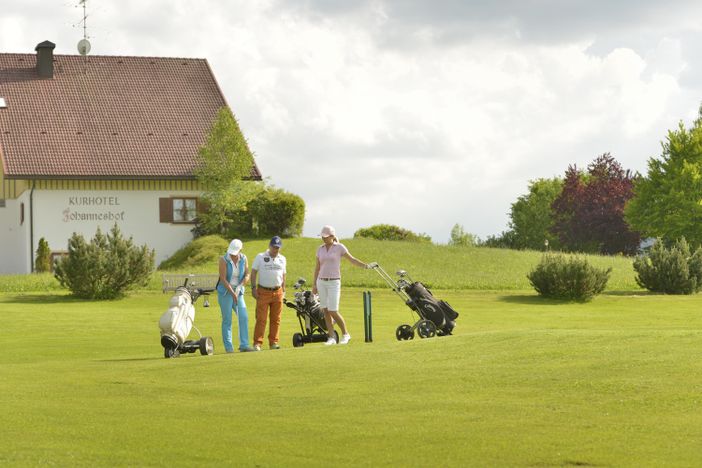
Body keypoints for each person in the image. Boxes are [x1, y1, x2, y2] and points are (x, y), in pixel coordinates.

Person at [313, 225, 370, 345]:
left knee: (333, 310)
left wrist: (365, 265)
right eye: (322, 236)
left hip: (334, 282)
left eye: (326, 236)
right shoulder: (320, 249)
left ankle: (345, 334)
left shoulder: (339, 247)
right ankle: (332, 337)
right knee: (326, 310)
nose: (323, 239)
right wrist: (314, 285)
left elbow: (352, 259)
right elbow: (317, 268)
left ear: (332, 236)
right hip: (321, 281)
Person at [216, 239, 253, 353]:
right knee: (227, 320)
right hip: (225, 292)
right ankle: (229, 347)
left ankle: (244, 345)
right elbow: (222, 279)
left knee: (244, 316)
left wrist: (240, 286)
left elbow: (247, 274)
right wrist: (232, 293)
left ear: (240, 249)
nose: (233, 254)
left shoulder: (244, 258)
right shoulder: (223, 259)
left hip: (238, 291)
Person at [251, 236, 287, 351]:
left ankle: (273, 342)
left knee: (276, 319)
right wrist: (253, 288)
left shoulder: (282, 259)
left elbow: (283, 274)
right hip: (263, 291)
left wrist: (284, 289)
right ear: (269, 246)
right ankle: (257, 343)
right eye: (274, 247)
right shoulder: (260, 257)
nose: (276, 250)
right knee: (261, 319)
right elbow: (253, 272)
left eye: (278, 248)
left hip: (278, 292)